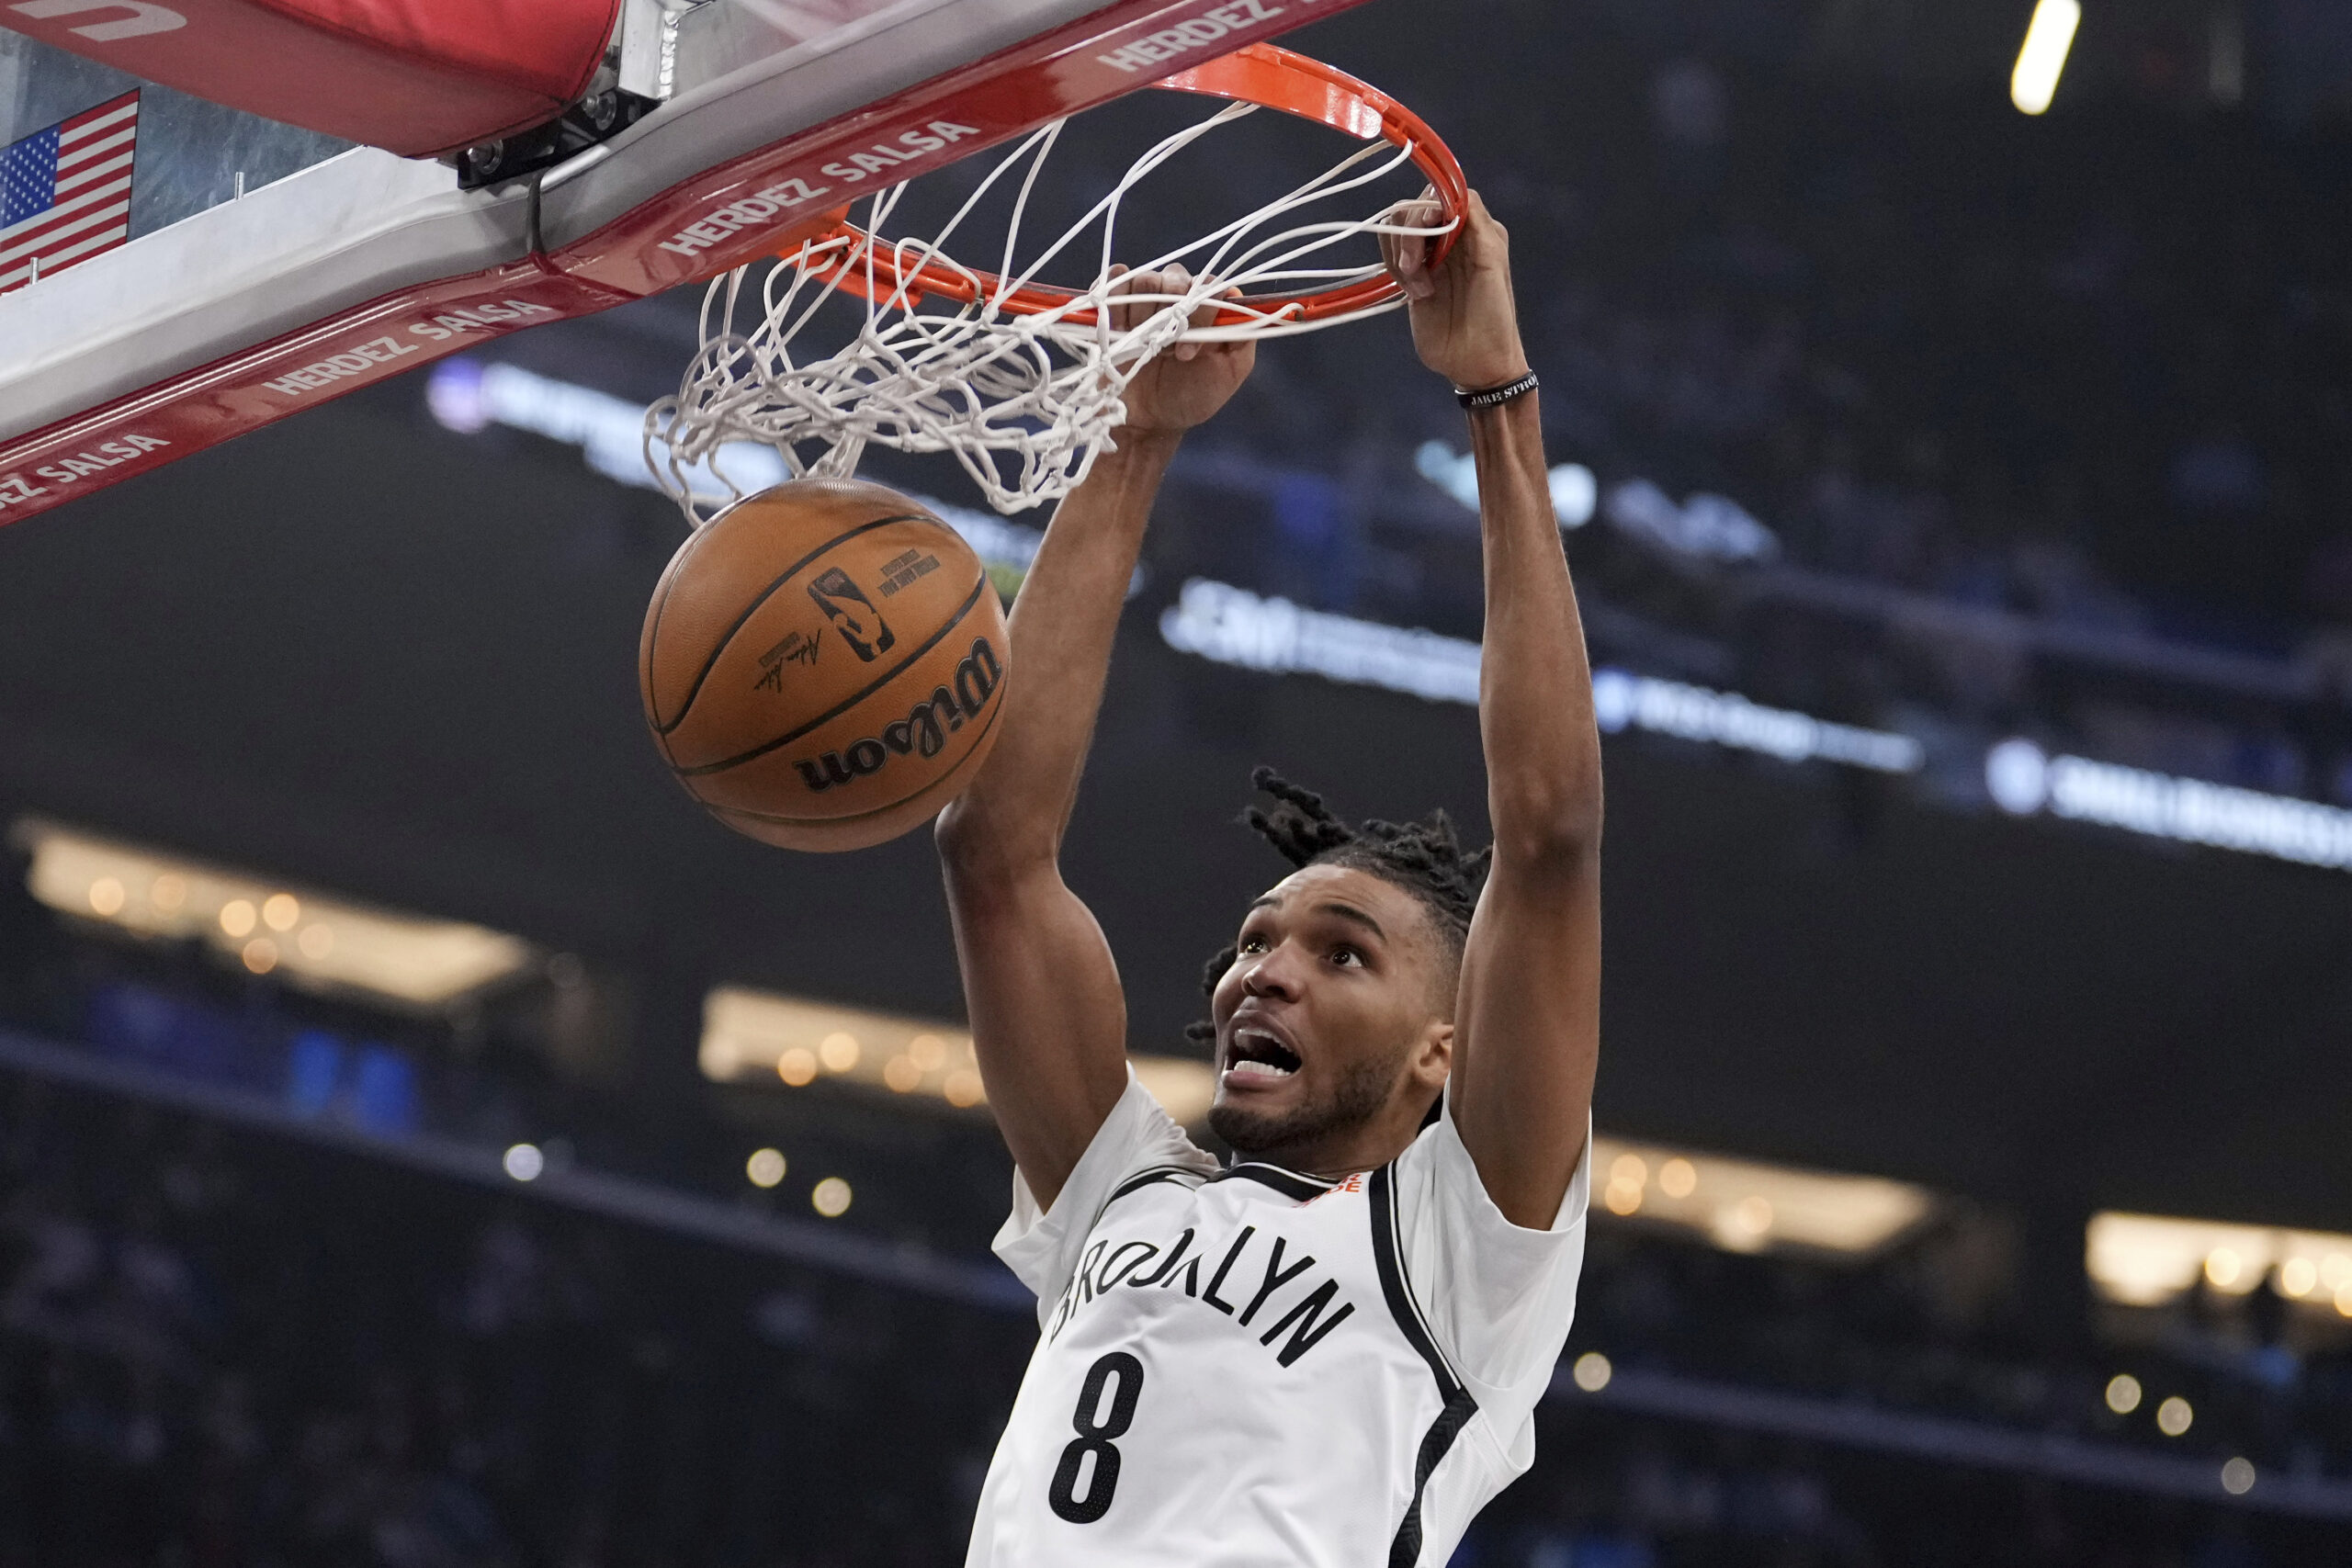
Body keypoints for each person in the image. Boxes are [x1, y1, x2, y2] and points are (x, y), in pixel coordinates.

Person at [935, 192, 1603, 1567]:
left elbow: (1546, 837)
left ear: (1445, 1052)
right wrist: (1131, 437)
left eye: (1342, 953)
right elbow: (994, 853)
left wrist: (1494, 391)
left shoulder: (1464, 1255)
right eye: (1258, 942)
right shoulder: (1126, 1190)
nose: (1264, 971)